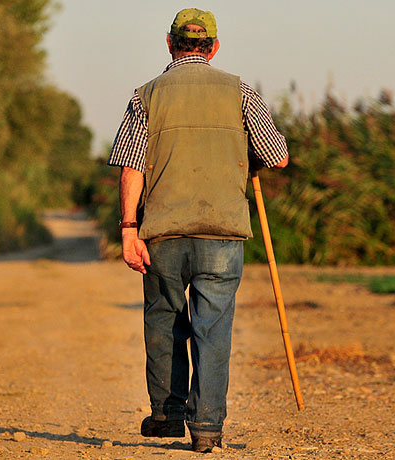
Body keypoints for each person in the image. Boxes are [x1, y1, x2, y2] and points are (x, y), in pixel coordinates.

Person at [107, 7, 289, 453]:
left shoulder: (146, 94)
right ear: (214, 47)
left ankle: (168, 416)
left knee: (165, 320)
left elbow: (132, 166)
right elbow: (278, 156)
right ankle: (207, 427)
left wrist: (129, 227)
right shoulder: (239, 91)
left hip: (162, 232)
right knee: (214, 328)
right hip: (222, 233)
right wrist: (247, 155)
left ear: (170, 44)